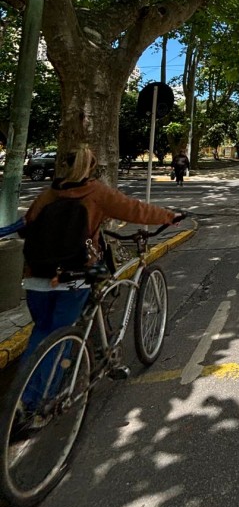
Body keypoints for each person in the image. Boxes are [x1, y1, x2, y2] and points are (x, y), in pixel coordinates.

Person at [21, 144, 182, 360]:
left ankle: (25, 389)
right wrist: (169, 217)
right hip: (74, 276)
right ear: (91, 167)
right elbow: (134, 209)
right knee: (59, 340)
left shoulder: (48, 194)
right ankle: (37, 393)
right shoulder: (95, 193)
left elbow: (28, 225)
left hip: (36, 275)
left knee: (42, 335)